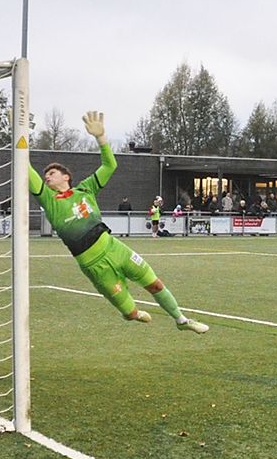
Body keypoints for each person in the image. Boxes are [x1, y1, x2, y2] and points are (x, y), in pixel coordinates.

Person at [28, 111, 207, 334]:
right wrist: (20, 133)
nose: (46, 177)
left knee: (154, 283)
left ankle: (182, 321)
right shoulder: (48, 199)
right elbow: (25, 169)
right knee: (130, 313)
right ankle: (133, 314)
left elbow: (110, 165)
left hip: (115, 248)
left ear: (66, 177)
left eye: (52, 173)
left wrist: (101, 137)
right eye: (45, 176)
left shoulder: (85, 189)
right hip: (93, 265)